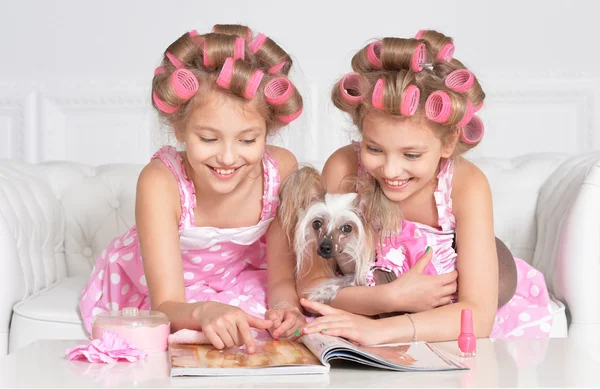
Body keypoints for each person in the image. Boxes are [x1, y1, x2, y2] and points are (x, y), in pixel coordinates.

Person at [299, 30, 553, 344]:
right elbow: (311, 288)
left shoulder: (466, 186)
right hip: (371, 310)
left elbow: (478, 314)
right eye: (374, 149)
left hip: (441, 323)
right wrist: (389, 299)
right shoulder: (344, 167)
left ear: (448, 142)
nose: (390, 170)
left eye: (411, 154)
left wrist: (381, 330)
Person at [79, 24, 306, 353]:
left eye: (247, 139)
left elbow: (281, 278)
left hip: (238, 275)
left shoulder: (281, 169)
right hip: (167, 292)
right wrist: (203, 311)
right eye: (209, 138)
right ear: (179, 127)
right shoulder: (161, 182)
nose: (227, 157)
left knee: (262, 331)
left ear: (268, 129)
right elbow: (166, 305)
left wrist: (287, 308)